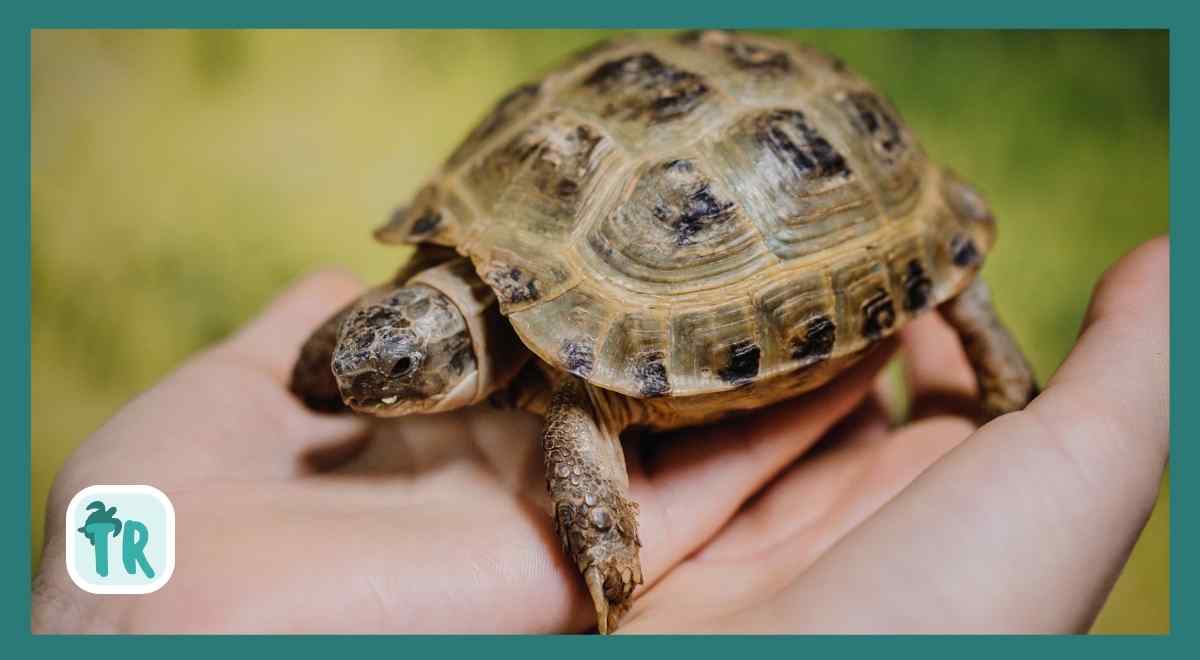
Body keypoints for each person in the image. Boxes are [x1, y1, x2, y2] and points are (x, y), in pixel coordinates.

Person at [31, 237, 1169, 634]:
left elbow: (575, 414)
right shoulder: (425, 316)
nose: (379, 379)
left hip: (768, 209)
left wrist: (602, 544)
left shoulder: (571, 396)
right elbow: (355, 350)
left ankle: (958, 303)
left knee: (577, 422)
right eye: (374, 361)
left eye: (404, 372)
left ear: (463, 358)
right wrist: (116, 613)